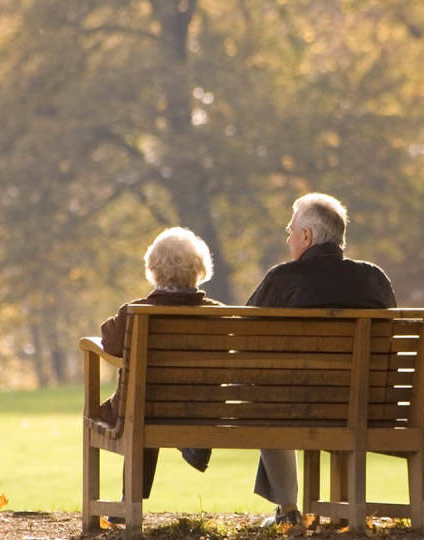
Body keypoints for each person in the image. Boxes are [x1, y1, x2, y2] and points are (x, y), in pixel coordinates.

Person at [246, 193, 397, 526]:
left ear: (307, 236)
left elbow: (242, 337)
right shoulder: (374, 278)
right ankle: (307, 508)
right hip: (371, 405)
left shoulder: (281, 279)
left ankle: (287, 511)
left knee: (264, 394)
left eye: (291, 230)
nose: (287, 238)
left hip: (296, 407)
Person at [98, 227, 222, 502]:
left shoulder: (135, 313)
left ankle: (131, 501)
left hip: (142, 410)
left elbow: (110, 344)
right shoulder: (218, 315)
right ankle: (191, 443)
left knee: (138, 402)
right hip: (198, 411)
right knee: (148, 399)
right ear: (200, 268)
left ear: (153, 268)